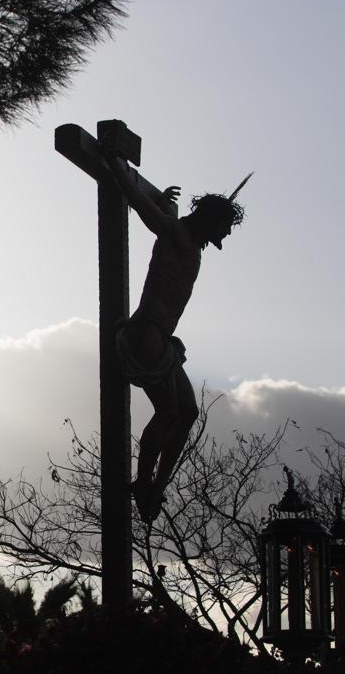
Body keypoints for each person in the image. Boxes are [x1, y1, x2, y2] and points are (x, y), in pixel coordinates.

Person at [104, 157, 248, 522]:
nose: (227, 234)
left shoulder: (190, 243)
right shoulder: (176, 235)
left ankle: (156, 486)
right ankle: (142, 481)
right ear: (212, 220)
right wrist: (117, 167)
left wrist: (164, 201)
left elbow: (162, 211)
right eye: (225, 225)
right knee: (168, 411)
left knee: (188, 412)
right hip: (146, 333)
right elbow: (144, 210)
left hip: (162, 339)